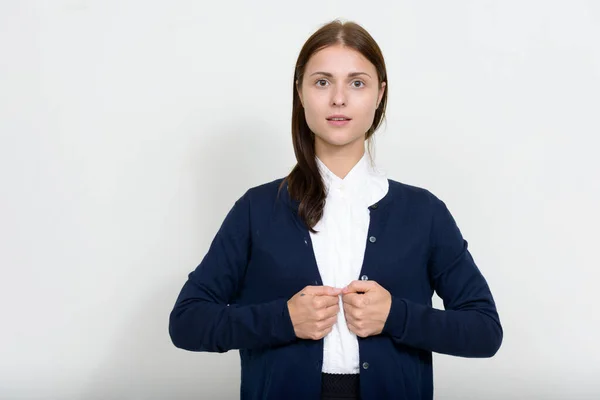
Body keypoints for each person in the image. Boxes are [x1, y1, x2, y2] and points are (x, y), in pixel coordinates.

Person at [169, 19, 503, 400]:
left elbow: (484, 330)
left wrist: (396, 315)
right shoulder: (256, 209)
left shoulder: (423, 212)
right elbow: (187, 321)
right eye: (322, 82)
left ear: (380, 94)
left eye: (357, 83)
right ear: (300, 93)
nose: (339, 99)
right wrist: (283, 319)